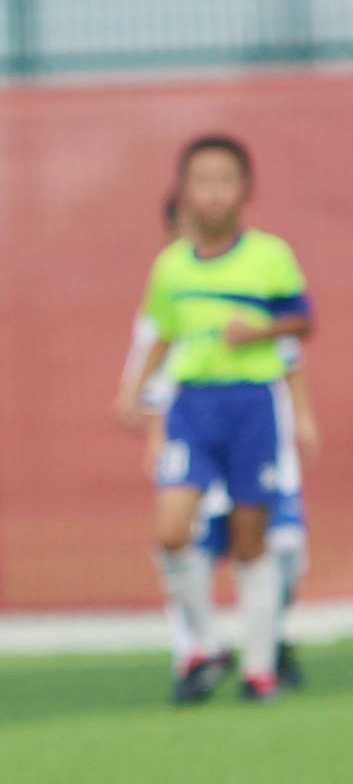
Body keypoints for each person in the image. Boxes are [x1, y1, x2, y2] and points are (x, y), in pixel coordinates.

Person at [114, 136, 311, 704]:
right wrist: (135, 393)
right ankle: (206, 642)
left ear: (246, 189)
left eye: (226, 180)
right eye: (202, 181)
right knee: (171, 532)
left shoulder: (270, 255)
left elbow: (302, 322)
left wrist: (260, 334)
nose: (214, 192)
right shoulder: (170, 267)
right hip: (193, 407)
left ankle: (259, 668)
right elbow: (162, 335)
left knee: (254, 542)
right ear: (184, 191)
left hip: (251, 405)